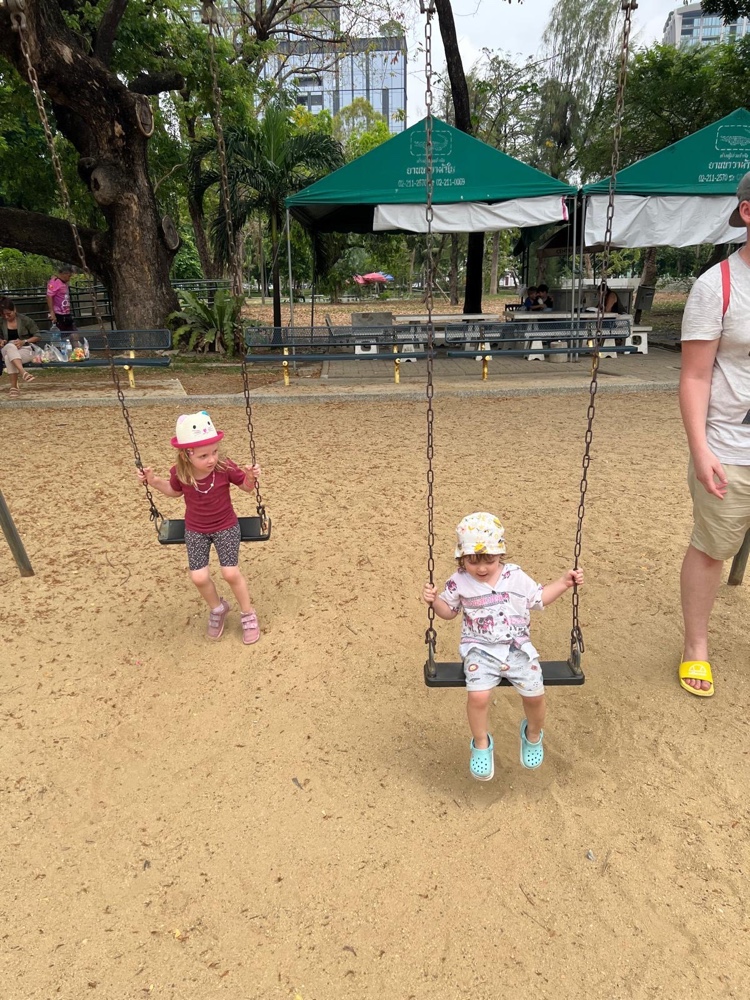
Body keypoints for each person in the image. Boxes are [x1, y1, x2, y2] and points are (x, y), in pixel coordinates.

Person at [423, 512, 584, 779]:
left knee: (535, 695)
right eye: (473, 561)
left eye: (489, 560)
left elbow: (538, 598)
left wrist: (564, 583)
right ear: (461, 558)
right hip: (479, 650)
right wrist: (434, 602)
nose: (482, 568)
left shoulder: (515, 576)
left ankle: (533, 734)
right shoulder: (458, 581)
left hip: (517, 648)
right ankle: (481, 743)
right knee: (478, 696)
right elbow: (448, 612)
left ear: (501, 554)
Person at [677, 171, 750, 697]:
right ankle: (696, 645)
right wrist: (700, 449)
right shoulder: (717, 285)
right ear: (747, 212)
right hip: (731, 445)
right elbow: (695, 376)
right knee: (712, 546)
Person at [137, 411, 262, 645]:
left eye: (214, 452)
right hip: (196, 530)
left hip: (225, 526)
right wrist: (153, 481)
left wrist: (251, 477)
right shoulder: (180, 473)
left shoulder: (224, 467)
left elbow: (246, 487)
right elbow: (174, 491)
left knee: (230, 573)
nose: (211, 459)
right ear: (187, 455)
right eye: (204, 455)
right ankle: (218, 608)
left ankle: (248, 614)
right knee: (198, 577)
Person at [0, 296, 39, 398]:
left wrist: (24, 341)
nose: (6, 317)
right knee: (10, 346)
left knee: (9, 358)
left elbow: (38, 336)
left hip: (25, 349)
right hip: (7, 348)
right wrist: (1, 341)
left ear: (14, 309)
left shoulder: (25, 320)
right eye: (3, 315)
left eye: (9, 314)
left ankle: (14, 387)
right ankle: (23, 372)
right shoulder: (1, 322)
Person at [46, 265, 77, 332]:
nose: (69, 278)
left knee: (74, 333)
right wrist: (52, 312)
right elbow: (49, 296)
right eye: (69, 276)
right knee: (61, 334)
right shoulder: (54, 282)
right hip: (58, 313)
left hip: (66, 312)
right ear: (64, 274)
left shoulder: (65, 283)